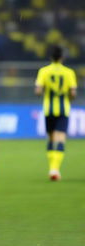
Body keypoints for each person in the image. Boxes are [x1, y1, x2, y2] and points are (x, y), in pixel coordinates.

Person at [35, 45, 77, 181]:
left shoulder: (44, 71)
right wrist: (68, 98)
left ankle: (52, 168)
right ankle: (55, 169)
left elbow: (38, 91)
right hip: (64, 109)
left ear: (50, 57)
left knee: (51, 138)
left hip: (49, 110)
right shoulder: (69, 72)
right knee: (60, 138)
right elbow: (73, 93)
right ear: (62, 57)